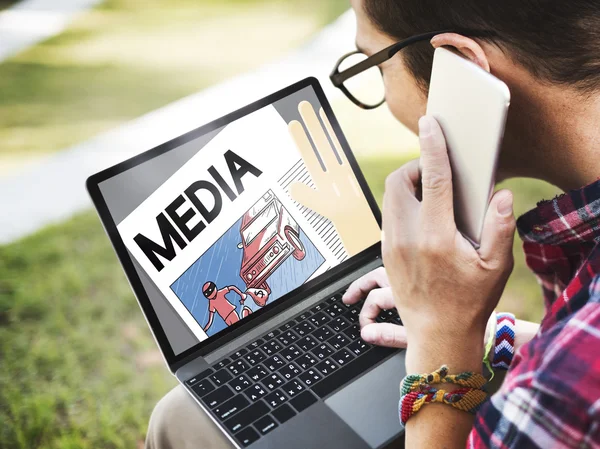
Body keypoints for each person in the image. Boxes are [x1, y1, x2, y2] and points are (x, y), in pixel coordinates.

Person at [145, 1, 600, 448]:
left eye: (374, 66)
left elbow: (570, 379)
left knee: (178, 421)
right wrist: (485, 335)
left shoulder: (568, 391)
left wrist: (442, 342)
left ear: (462, 69)